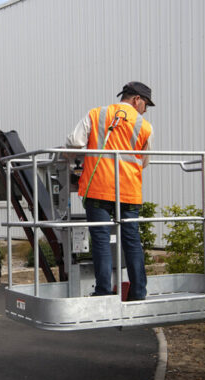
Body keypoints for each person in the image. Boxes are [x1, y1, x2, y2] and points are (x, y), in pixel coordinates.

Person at [66, 81, 155, 300]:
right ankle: (138, 293)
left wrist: (75, 159)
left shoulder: (97, 114)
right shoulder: (145, 126)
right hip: (129, 192)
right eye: (146, 104)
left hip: (99, 188)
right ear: (136, 100)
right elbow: (143, 162)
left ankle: (104, 292)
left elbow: (74, 142)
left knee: (101, 241)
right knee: (132, 241)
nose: (146, 109)